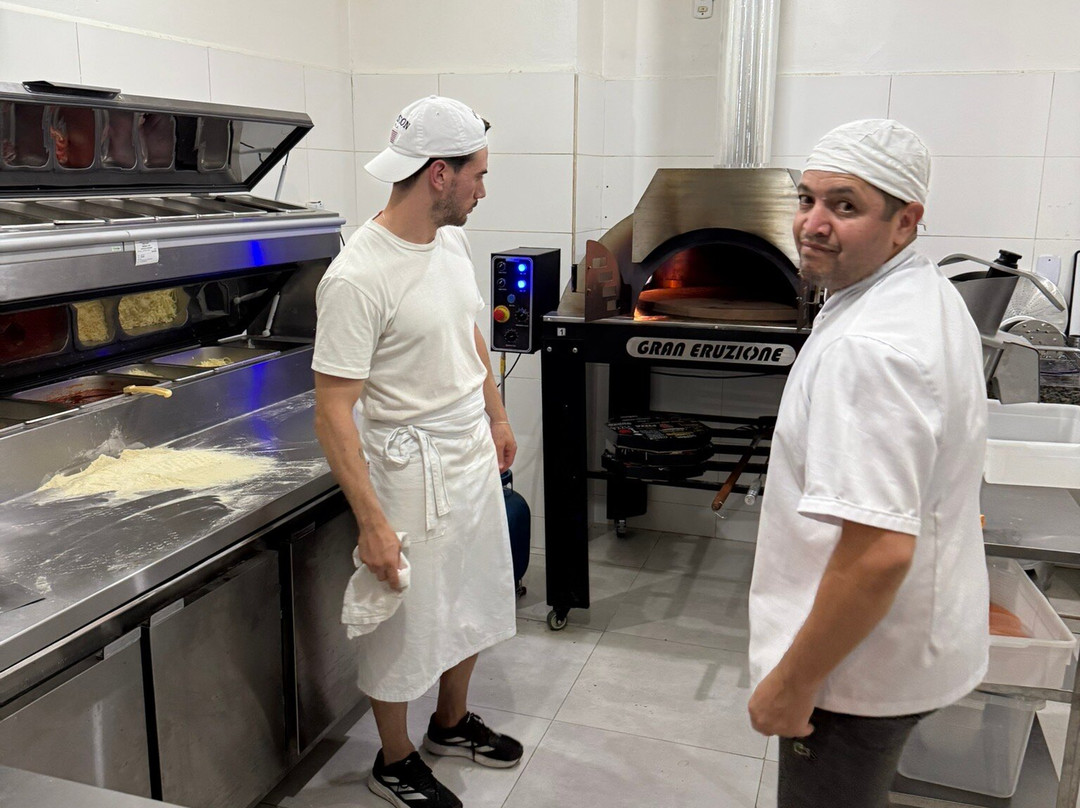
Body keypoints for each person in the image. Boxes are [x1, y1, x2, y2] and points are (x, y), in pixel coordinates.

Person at [746, 119, 990, 808]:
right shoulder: (922, 292)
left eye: (845, 206)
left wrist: (793, 683)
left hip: (856, 671)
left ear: (905, 220)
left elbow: (879, 554)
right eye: (807, 199)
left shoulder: (871, 348)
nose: (813, 224)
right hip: (907, 641)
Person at [312, 95, 522, 808]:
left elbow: (469, 333)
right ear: (439, 173)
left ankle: (450, 724)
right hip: (409, 469)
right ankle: (394, 759)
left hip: (468, 450)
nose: (483, 190)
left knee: (474, 596)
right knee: (405, 625)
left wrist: (496, 414)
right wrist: (371, 521)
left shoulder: (450, 244)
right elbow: (332, 410)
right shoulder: (358, 276)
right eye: (478, 175)